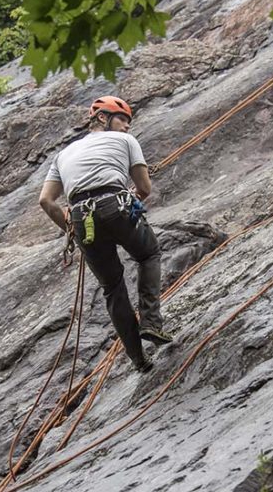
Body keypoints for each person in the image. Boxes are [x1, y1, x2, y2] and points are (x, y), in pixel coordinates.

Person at [39, 95, 173, 372]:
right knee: (149, 254)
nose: (127, 127)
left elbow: (46, 201)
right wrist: (128, 198)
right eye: (122, 119)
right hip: (115, 204)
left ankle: (138, 359)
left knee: (112, 288)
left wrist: (70, 228)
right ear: (102, 117)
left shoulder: (62, 155)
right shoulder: (126, 142)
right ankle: (151, 323)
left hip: (80, 216)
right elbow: (144, 188)